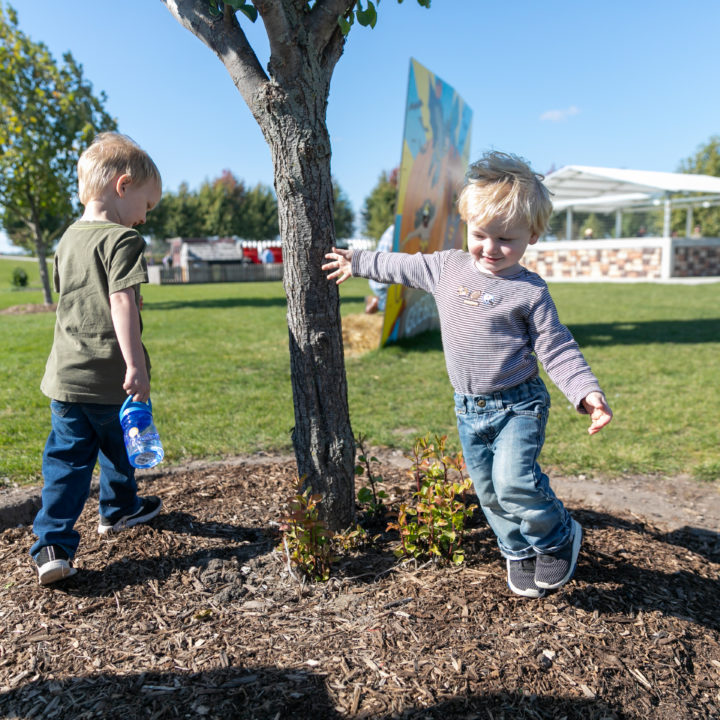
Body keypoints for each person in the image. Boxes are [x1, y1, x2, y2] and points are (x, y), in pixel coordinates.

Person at [324, 150, 613, 598]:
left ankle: (557, 538)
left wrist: (586, 392)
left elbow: (557, 348)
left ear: (532, 236)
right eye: (481, 235)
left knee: (514, 482)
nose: (491, 248)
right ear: (467, 227)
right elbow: (400, 265)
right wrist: (357, 262)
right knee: (488, 492)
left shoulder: (530, 292)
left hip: (519, 404)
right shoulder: (448, 267)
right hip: (468, 408)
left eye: (506, 239)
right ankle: (515, 549)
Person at [31, 132, 164, 586]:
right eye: (147, 207)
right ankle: (119, 509)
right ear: (123, 187)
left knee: (67, 462)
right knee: (121, 444)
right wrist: (136, 366)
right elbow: (122, 302)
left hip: (65, 378)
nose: (144, 219)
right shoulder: (122, 241)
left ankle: (52, 544)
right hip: (109, 376)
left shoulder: (67, 240)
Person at [365, 224, 394, 314]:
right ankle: (376, 302)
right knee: (394, 307)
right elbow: (393, 249)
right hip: (382, 281)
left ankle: (376, 302)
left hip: (379, 278)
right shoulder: (398, 231)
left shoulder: (393, 228)